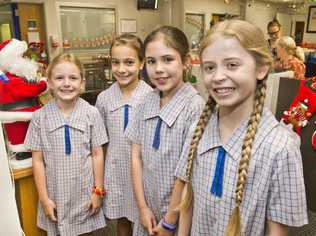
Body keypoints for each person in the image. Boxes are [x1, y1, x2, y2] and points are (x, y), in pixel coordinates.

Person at [159, 19, 308, 236]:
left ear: (261, 68)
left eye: (232, 65)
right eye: (210, 67)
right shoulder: (197, 131)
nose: (218, 76)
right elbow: (187, 201)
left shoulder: (280, 147)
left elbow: (277, 229)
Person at [124, 25, 205, 236]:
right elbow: (135, 156)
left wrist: (169, 221)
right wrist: (142, 207)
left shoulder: (194, 106)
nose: (158, 69)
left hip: (177, 214)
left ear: (186, 62)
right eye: (151, 61)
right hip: (147, 208)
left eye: (168, 59)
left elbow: (186, 174)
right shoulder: (145, 101)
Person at [24, 53, 108, 236]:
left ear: (82, 82)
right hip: (55, 196)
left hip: (85, 194)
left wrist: (98, 191)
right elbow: (37, 161)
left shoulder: (91, 114)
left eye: (73, 78)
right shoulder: (40, 117)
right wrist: (44, 198)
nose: (67, 83)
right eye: (59, 78)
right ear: (50, 83)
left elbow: (97, 154)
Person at [95, 34, 152, 236]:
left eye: (129, 62)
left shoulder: (151, 97)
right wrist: (98, 182)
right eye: (115, 62)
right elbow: (99, 143)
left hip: (145, 173)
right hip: (116, 172)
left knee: (146, 222)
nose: (121, 69)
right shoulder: (104, 99)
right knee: (123, 221)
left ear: (141, 63)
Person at [0, 39, 47, 160]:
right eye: (21, 56)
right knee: (20, 135)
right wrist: (43, 84)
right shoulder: (8, 80)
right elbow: (28, 90)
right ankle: (23, 152)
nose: (24, 59)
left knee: (22, 134)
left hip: (20, 113)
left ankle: (25, 151)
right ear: (10, 60)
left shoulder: (11, 77)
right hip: (18, 113)